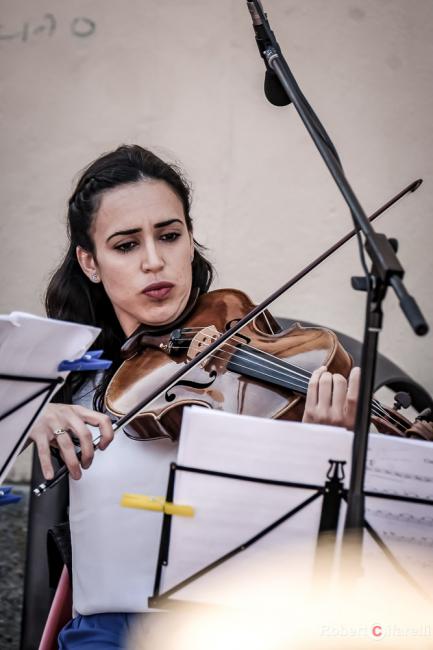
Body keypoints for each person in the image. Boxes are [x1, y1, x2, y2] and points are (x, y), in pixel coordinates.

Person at [28, 144, 361, 648]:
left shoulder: (247, 370)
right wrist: (31, 414)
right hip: (110, 632)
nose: (155, 261)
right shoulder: (66, 380)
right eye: (125, 245)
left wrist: (321, 451)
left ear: (190, 240)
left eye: (169, 235)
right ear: (89, 262)